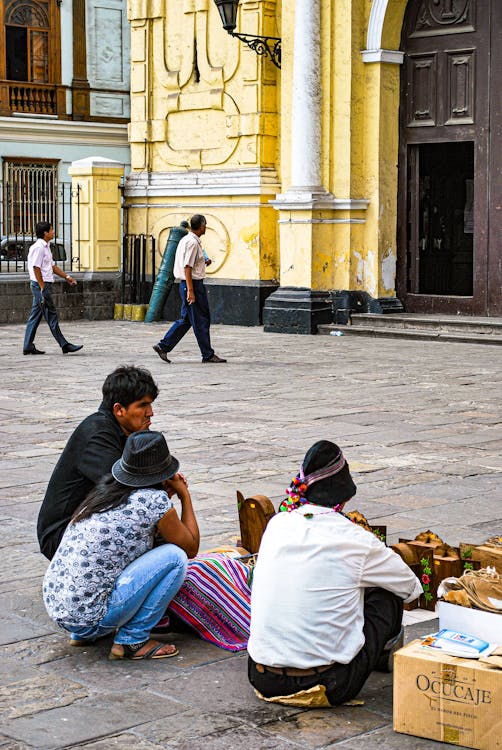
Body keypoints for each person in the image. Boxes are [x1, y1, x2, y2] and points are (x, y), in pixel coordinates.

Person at [247, 440, 423, 708]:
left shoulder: (277, 524)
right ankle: (374, 657)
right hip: (329, 682)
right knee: (386, 595)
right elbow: (410, 588)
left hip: (261, 677)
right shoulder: (355, 539)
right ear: (345, 497)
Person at [43, 430, 199, 660]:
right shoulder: (152, 501)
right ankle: (133, 640)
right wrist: (184, 495)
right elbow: (190, 547)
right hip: (91, 617)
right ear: (164, 472)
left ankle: (84, 634)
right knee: (175, 557)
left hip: (62, 609)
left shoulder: (104, 493)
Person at [37, 365, 159, 560]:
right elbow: (123, 487)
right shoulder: (98, 433)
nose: (150, 412)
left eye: (150, 405)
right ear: (119, 409)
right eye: (143, 405)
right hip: (60, 535)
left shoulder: (126, 431)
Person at [153, 214, 226, 364]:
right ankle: (207, 354)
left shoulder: (185, 239)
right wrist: (191, 291)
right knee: (201, 320)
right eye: (205, 225)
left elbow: (188, 265)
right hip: (192, 285)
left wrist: (203, 263)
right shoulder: (192, 243)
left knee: (186, 319)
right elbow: (187, 268)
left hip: (187, 284)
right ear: (201, 226)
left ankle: (163, 346)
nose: (205, 228)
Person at [23, 220, 82, 356]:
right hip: (40, 285)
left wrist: (67, 277)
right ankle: (64, 344)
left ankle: (28, 346)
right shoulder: (38, 247)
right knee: (51, 314)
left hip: (42, 285)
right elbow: (36, 268)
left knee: (36, 316)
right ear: (45, 233)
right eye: (51, 230)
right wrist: (43, 287)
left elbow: (52, 266)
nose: (53, 232)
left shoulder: (46, 246)